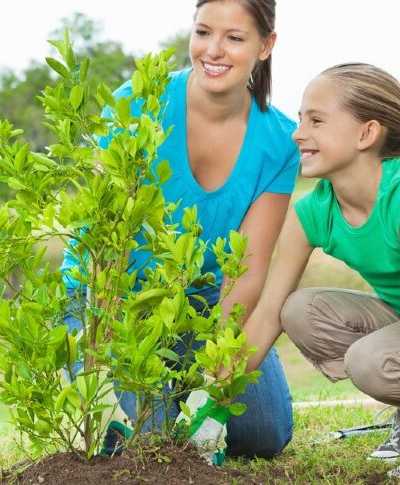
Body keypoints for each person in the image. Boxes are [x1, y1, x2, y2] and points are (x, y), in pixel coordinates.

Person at [229, 62, 400, 482]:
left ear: (366, 133)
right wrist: (213, 399)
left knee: (371, 362)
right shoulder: (313, 211)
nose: (298, 133)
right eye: (300, 119)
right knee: (299, 309)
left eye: (316, 120)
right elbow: (268, 314)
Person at [60, 0, 299, 459]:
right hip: (116, 292)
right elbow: (105, 232)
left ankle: (186, 383)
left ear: (265, 45)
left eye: (234, 38)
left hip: (204, 298)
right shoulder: (139, 103)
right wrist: (104, 334)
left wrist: (216, 373)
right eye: (204, 32)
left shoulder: (278, 142)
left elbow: (247, 269)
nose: (214, 50)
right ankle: (143, 404)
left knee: (264, 434)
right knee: (152, 443)